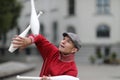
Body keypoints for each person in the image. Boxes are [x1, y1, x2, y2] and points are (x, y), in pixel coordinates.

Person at [12, 32, 81, 80]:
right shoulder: (52, 51)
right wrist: (29, 40)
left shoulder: (72, 70)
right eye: (63, 39)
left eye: (68, 41)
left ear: (74, 50)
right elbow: (39, 37)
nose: (63, 42)